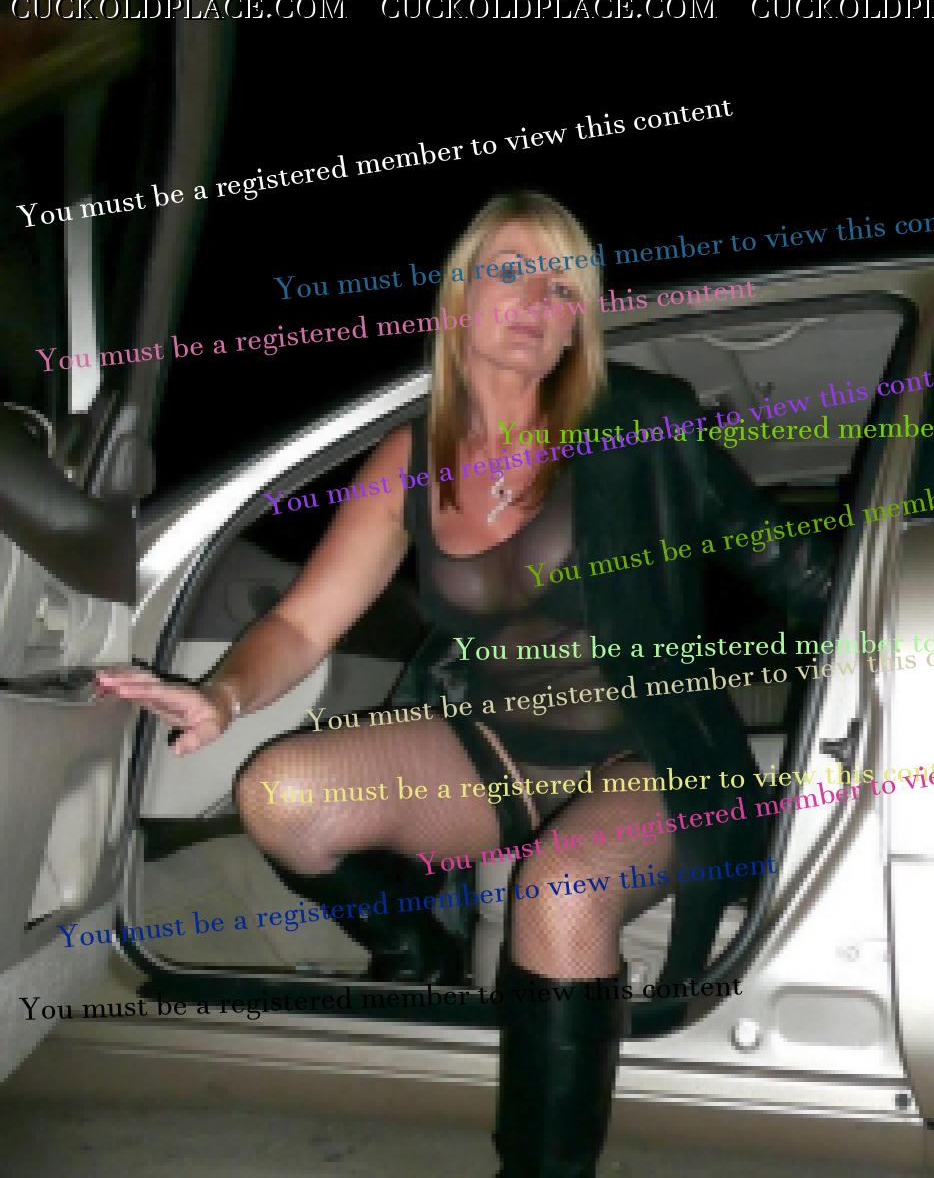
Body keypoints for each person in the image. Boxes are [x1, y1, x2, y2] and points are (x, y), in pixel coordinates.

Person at [97, 191, 834, 1178]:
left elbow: (796, 573)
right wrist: (225, 695)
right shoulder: (408, 460)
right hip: (501, 748)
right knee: (280, 793)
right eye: (512, 272)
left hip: (656, 753)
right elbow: (302, 623)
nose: (538, 300)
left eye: (563, 287)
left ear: (578, 323)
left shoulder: (643, 422)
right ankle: (419, 952)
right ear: (457, 299)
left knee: (565, 887)